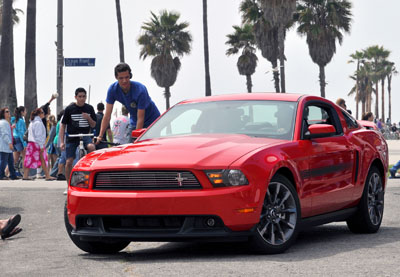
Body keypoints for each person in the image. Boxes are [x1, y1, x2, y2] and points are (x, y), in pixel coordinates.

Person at [96, 62, 160, 144]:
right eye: (121, 78)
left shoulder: (140, 90)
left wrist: (136, 138)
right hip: (134, 120)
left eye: (127, 77)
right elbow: (107, 115)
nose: (124, 81)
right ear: (116, 77)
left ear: (130, 76)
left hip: (153, 121)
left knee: (144, 147)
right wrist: (100, 136)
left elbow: (141, 117)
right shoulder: (112, 90)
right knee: (130, 148)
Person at [59, 88, 96, 182]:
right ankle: (68, 185)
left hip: (85, 135)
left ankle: (91, 169)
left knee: (92, 147)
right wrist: (62, 142)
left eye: (84, 96)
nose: (82, 98)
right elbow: (63, 125)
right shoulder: (69, 109)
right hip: (72, 137)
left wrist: (88, 118)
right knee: (69, 161)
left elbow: (93, 124)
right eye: (80, 96)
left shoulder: (89, 108)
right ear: (76, 97)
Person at [23, 108, 55, 181]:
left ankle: (25, 175)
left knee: (29, 160)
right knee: (43, 159)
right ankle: (47, 175)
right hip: (37, 144)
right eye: (42, 112)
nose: (44, 114)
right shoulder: (38, 123)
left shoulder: (32, 122)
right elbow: (39, 136)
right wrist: (41, 146)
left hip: (31, 144)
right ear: (39, 114)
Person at [0, 108, 18, 180]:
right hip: (5, 145)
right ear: (3, 114)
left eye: (9, 111)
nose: (9, 113)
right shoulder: (3, 123)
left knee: (11, 161)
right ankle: (1, 175)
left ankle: (13, 175)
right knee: (3, 161)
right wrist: (9, 143)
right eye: (7, 112)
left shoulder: (5, 122)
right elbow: (4, 134)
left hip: (6, 146)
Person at [11, 106, 27, 174]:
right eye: (25, 111)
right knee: (24, 157)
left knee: (15, 159)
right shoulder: (21, 121)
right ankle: (25, 175)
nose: (26, 112)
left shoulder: (14, 120)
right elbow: (21, 133)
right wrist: (24, 144)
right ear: (22, 112)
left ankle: (6, 173)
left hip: (14, 139)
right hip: (19, 139)